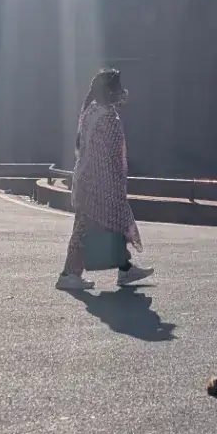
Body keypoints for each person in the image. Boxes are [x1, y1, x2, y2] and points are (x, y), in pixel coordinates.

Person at [57, 69, 153, 291]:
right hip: (100, 183)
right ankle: (69, 274)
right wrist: (116, 185)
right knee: (88, 229)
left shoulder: (91, 111)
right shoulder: (108, 117)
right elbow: (110, 155)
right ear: (110, 91)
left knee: (111, 226)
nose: (122, 91)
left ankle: (125, 269)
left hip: (86, 179)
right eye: (118, 87)